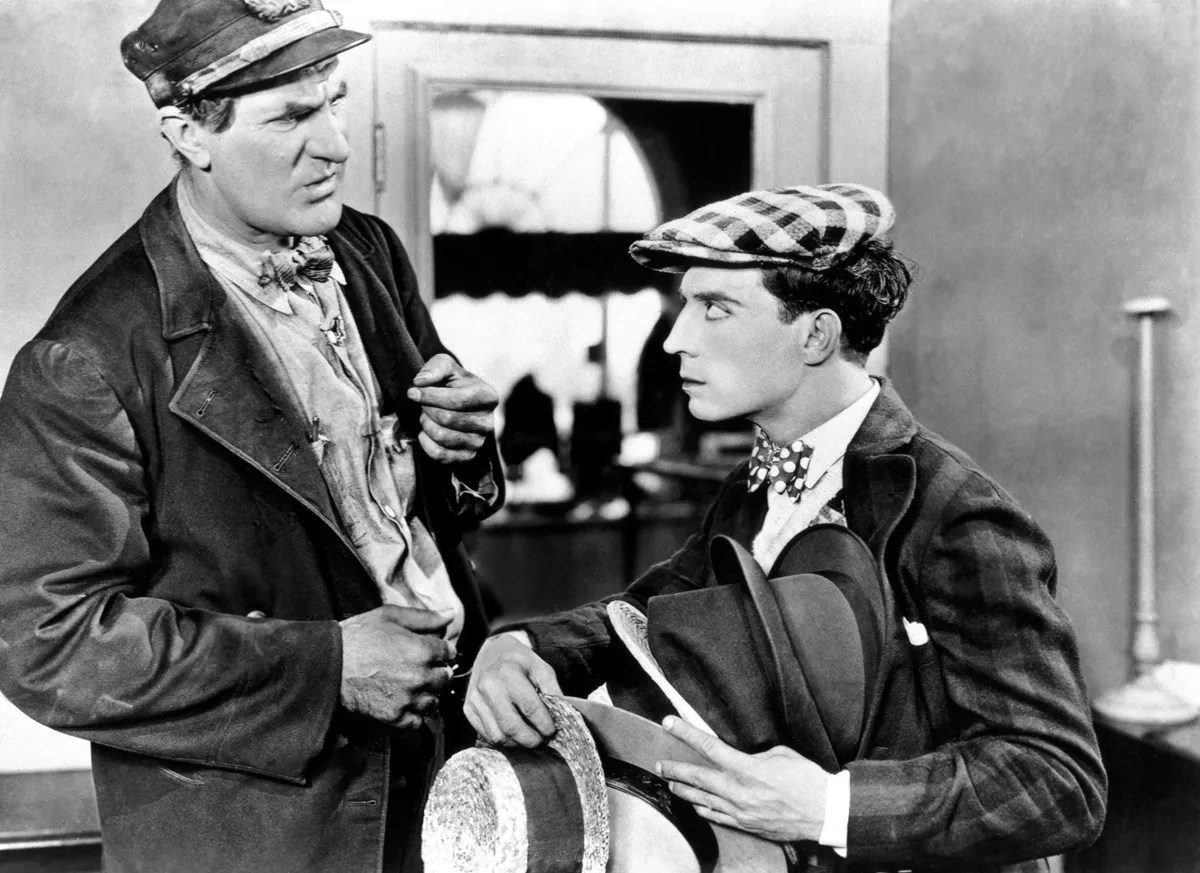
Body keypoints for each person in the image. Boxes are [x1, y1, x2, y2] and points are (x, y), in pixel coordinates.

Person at [465, 184, 1107, 871]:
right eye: (686, 306)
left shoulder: (954, 512)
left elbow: (1059, 780)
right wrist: (521, 645)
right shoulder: (750, 486)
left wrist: (829, 806)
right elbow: (648, 612)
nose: (676, 340)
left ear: (815, 335)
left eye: (715, 308)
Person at [0, 1, 503, 871]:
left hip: (439, 776)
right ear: (189, 134)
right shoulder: (87, 356)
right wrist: (326, 667)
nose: (335, 145)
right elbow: (50, 643)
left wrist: (458, 448)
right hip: (262, 831)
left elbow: (406, 514)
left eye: (334, 102)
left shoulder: (367, 252)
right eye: (292, 117)